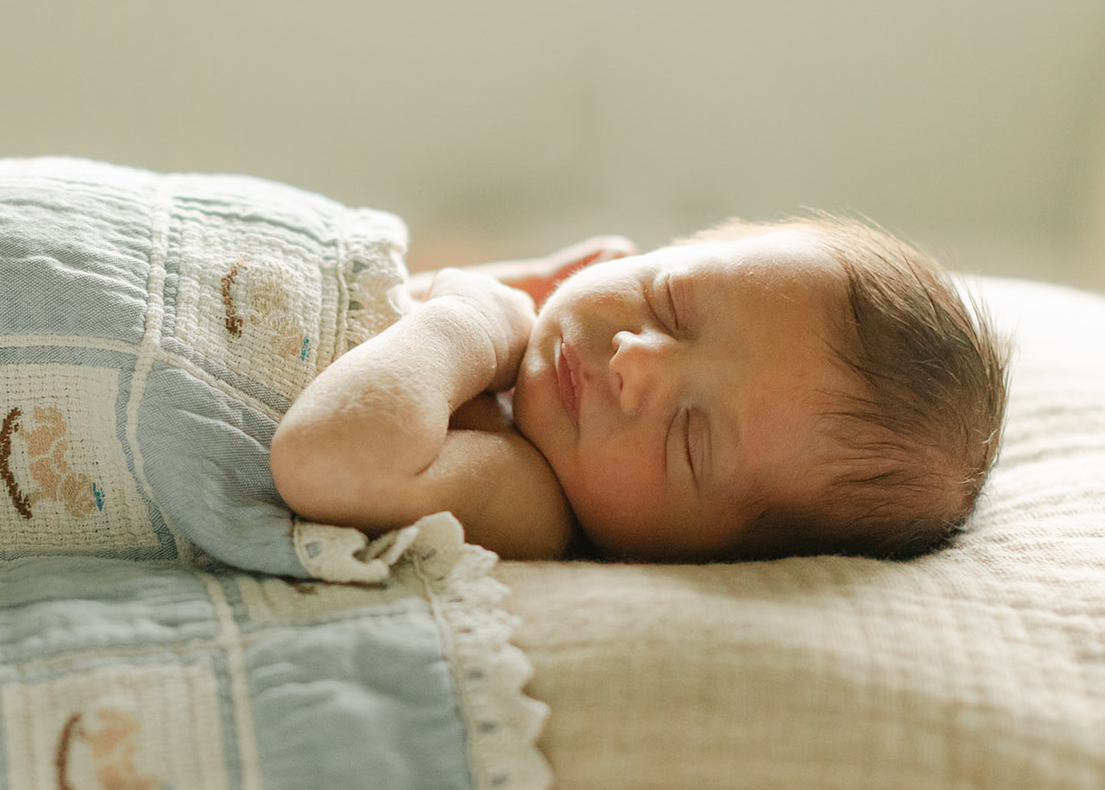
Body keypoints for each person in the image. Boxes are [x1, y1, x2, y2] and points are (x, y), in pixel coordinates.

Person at [271, 216, 1011, 563]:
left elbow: (332, 464)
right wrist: (531, 281)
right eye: (671, 301)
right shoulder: (539, 337)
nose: (636, 361)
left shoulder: (526, 494)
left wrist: (468, 320)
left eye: (689, 435)